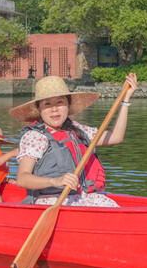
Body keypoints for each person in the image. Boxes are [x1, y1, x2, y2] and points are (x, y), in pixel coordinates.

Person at [9, 73, 138, 207]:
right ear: (39, 109)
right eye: (47, 104)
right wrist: (55, 181)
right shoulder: (35, 137)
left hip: (89, 198)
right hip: (55, 202)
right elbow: (22, 179)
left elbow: (116, 136)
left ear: (68, 105)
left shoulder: (77, 130)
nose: (54, 109)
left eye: (60, 102)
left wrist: (125, 99)